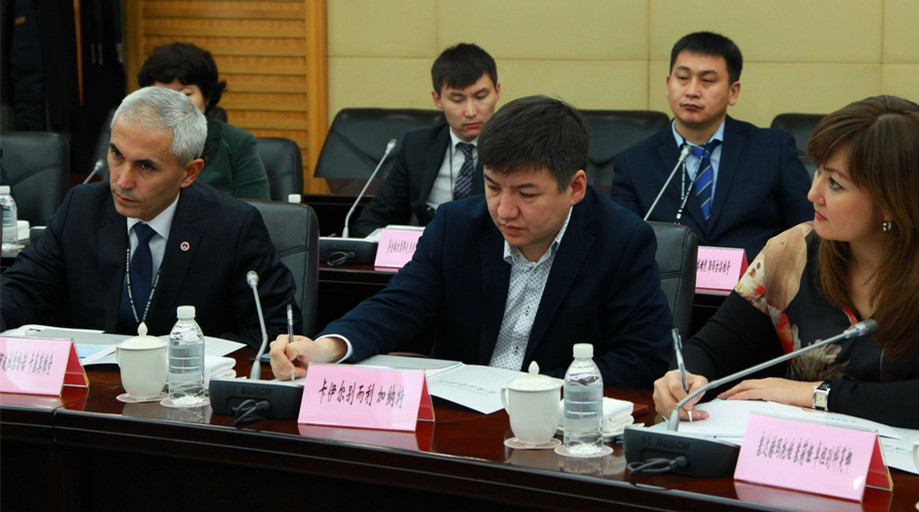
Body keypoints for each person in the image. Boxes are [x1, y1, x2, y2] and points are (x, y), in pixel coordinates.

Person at [271, 96, 673, 387]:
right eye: (493, 187)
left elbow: (643, 357)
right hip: (460, 417)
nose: (504, 210)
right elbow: (400, 304)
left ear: (576, 187)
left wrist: (539, 388)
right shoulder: (457, 225)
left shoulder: (622, 241)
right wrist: (327, 348)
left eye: (526, 194)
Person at [653, 96, 919, 430]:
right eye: (818, 170)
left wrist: (815, 394)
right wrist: (682, 378)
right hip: (805, 451)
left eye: (835, 183)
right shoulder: (792, 250)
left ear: (893, 201)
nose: (812, 193)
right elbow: (712, 348)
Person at [1, 86, 298, 348]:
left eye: (146, 166)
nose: (123, 181)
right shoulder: (82, 208)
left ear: (189, 172)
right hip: (95, 385)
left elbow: (275, 330)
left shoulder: (232, 227)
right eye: (117, 155)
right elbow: (22, 289)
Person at [611, 31, 811, 260]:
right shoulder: (634, 163)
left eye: (707, 81)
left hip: (756, 280)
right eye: (683, 78)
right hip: (667, 282)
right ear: (668, 84)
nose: (692, 91)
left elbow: (806, 228)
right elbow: (622, 244)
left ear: (733, 92)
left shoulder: (772, 150)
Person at [350, 43, 500, 237]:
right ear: (437, 99)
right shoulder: (417, 147)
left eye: (480, 97)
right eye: (457, 100)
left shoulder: (514, 149)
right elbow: (372, 221)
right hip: (428, 250)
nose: (471, 111)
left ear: (497, 91)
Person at [138, 42, 270, 200]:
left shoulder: (238, 143)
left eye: (186, 94)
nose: (174, 104)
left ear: (207, 97)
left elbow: (257, 209)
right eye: (163, 95)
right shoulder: (134, 140)